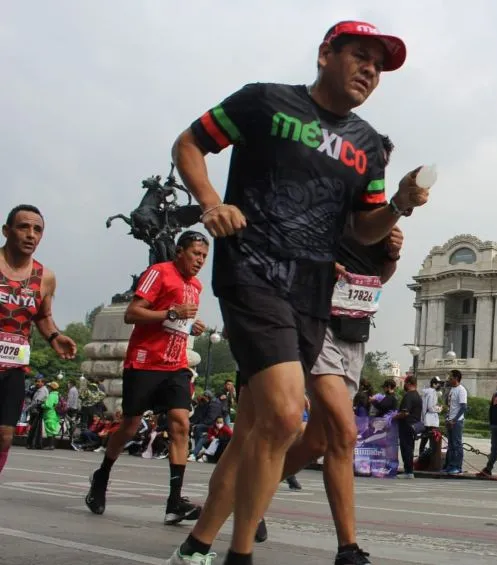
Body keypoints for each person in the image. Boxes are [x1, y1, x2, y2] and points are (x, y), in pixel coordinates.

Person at [166, 19, 422, 565]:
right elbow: (190, 143)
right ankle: (239, 556)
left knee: (258, 428)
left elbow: (362, 230)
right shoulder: (264, 102)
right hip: (252, 267)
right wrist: (212, 201)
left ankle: (195, 547)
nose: (370, 71)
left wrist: (397, 204)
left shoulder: (368, 146)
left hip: (312, 290)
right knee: (286, 416)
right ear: (327, 53)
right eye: (360, 56)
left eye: (378, 66)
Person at [85, 230, 209, 524]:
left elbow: (178, 322)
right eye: (195, 253)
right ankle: (101, 476)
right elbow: (132, 313)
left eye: (204, 256)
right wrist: (172, 313)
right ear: (180, 251)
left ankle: (174, 501)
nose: (199, 261)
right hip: (144, 363)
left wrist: (190, 327)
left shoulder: (196, 286)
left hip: (176, 365)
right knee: (129, 425)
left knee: (181, 424)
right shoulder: (159, 272)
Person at [0, 205, 76, 475]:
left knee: (5, 436)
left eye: (37, 229)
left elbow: (43, 316)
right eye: (23, 227)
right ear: (6, 231)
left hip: (14, 367)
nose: (31, 234)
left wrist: (55, 336)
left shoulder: (45, 277)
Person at [395, 375, 423, 479]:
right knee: (409, 448)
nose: (404, 385)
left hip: (406, 425)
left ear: (408, 383)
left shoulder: (409, 396)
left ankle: (408, 471)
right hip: (414, 426)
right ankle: (409, 470)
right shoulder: (417, 396)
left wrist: (394, 417)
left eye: (405, 383)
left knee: (406, 448)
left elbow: (405, 413)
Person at [443, 369, 468, 474]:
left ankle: (457, 466)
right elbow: (450, 405)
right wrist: (447, 417)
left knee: (457, 444)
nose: (449, 379)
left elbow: (463, 407)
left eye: (451, 377)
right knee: (451, 445)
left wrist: (454, 419)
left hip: (456, 422)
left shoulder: (461, 390)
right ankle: (449, 465)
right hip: (450, 420)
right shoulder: (452, 389)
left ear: (456, 378)